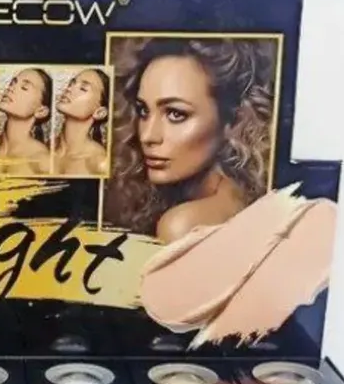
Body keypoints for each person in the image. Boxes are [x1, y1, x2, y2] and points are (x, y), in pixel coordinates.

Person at [104, 37, 276, 241]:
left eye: (176, 114)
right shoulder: (236, 195)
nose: (147, 136)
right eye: (143, 111)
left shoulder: (182, 225)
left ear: (232, 120)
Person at [0, 67, 53, 175]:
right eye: (12, 83)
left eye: (24, 88)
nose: (11, 88)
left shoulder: (41, 160)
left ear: (41, 111)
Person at [53, 68, 110, 177]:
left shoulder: (99, 163)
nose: (69, 89)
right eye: (71, 83)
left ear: (99, 112)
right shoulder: (45, 148)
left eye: (83, 89)